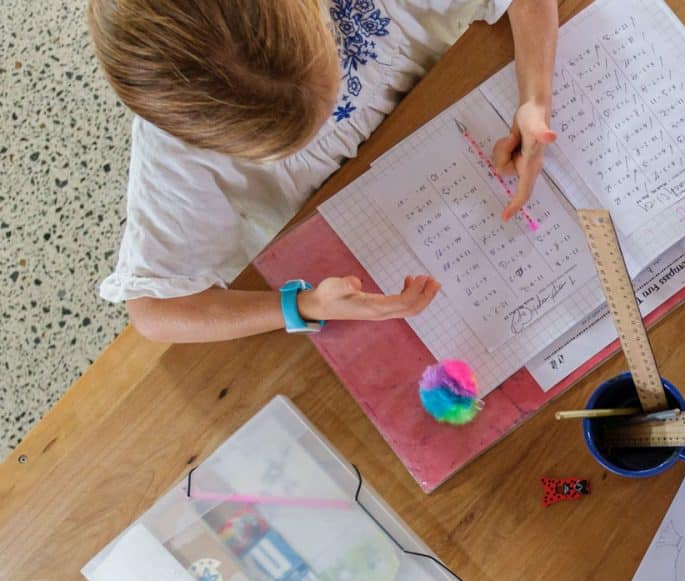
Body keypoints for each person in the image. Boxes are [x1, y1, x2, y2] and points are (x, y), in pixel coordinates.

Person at [87, 0, 559, 342]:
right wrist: (302, 305)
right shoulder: (174, 146)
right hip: (372, 230)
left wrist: (535, 96)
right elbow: (156, 309)